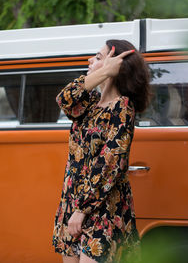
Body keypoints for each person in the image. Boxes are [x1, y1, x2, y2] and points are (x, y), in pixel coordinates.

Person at [52, 39, 151, 263]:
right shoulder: (89, 104)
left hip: (101, 208)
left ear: (116, 66)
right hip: (72, 200)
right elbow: (64, 99)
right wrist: (104, 69)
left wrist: (82, 210)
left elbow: (110, 163)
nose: (89, 60)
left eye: (97, 57)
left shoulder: (122, 107)